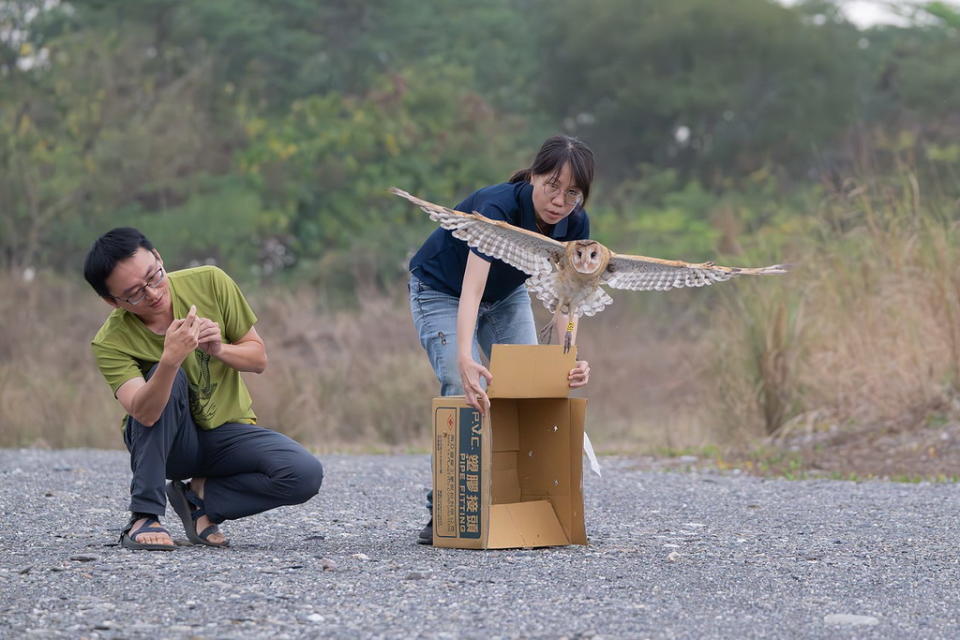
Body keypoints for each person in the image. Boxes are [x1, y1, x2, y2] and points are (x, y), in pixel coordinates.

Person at [84, 228, 324, 551]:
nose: (153, 293)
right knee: (166, 377)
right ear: (112, 301)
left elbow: (258, 359)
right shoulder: (110, 341)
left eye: (154, 277)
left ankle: (201, 499)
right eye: (135, 294)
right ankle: (144, 516)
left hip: (226, 434)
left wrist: (219, 349)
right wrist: (170, 360)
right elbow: (142, 410)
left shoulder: (210, 281)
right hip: (169, 447)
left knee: (304, 474)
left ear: (158, 257)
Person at [408, 135, 594, 545]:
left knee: (526, 385)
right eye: (551, 185)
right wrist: (463, 355)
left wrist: (565, 363)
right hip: (442, 289)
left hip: (505, 296)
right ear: (534, 175)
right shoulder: (498, 206)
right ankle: (444, 508)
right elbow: (471, 288)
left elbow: (569, 299)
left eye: (572, 193)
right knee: (464, 384)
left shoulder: (576, 225)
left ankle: (514, 500)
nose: (559, 200)